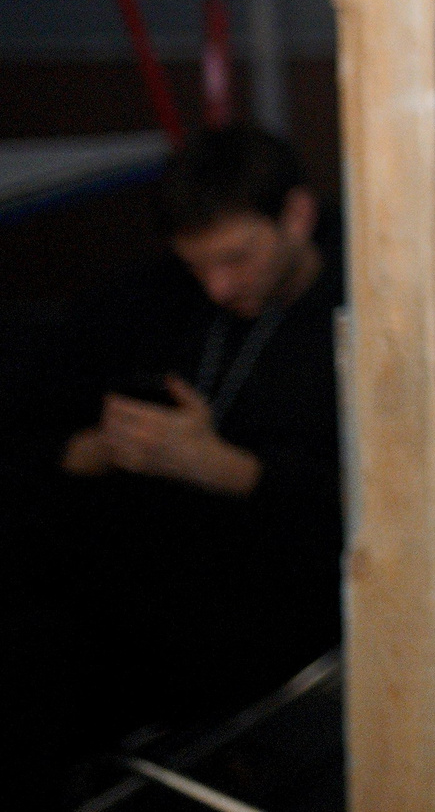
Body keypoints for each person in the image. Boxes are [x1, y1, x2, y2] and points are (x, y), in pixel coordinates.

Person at [2, 123, 343, 804]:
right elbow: (37, 404)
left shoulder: (359, 313)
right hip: (123, 565)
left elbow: (363, 509)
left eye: (236, 258)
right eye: (197, 266)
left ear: (298, 215)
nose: (217, 287)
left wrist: (223, 466)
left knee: (39, 654)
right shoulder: (158, 296)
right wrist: (93, 450)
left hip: (262, 599)